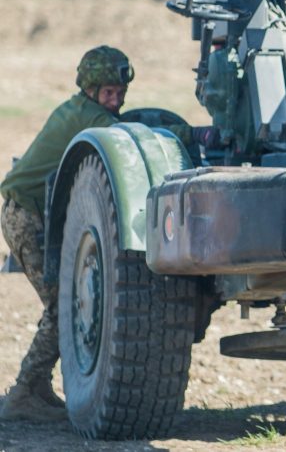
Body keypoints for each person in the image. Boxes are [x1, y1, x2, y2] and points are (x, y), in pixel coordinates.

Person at [0, 46, 215, 421]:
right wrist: (194, 133)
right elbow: (132, 137)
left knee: (59, 305)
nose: (114, 100)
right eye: (107, 94)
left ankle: (34, 388)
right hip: (24, 216)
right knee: (61, 307)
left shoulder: (85, 110)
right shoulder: (89, 118)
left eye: (118, 92)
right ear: (89, 90)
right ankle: (24, 392)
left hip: (25, 212)